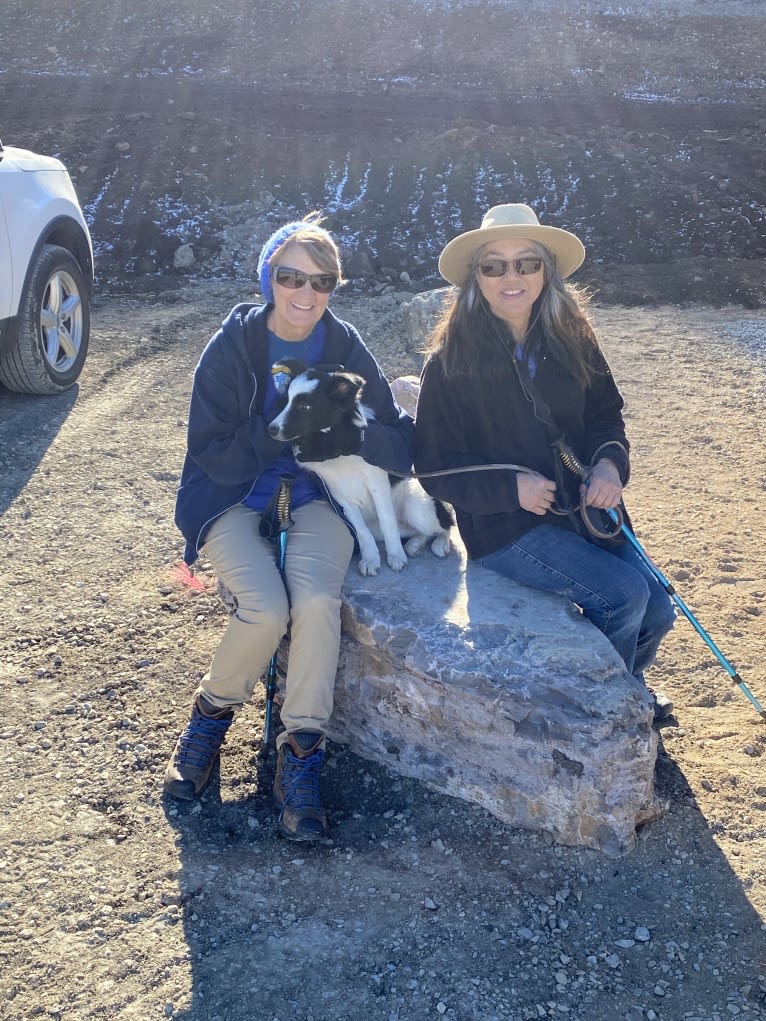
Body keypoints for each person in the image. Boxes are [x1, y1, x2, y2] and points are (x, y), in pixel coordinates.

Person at [164, 212, 415, 840]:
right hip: (231, 496)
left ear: (334, 287)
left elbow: (399, 444)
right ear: (268, 278)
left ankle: (300, 750)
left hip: (318, 498)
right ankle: (210, 720)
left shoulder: (344, 346)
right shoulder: (233, 347)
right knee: (265, 608)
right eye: (290, 276)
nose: (305, 293)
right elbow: (211, 452)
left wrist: (348, 432)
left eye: (322, 281)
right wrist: (281, 431)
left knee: (316, 601)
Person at [414, 203, 676, 719]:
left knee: (659, 609)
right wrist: (511, 487)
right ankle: (609, 714)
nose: (512, 276)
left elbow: (606, 413)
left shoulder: (573, 338)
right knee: (623, 598)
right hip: (507, 528)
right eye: (494, 265)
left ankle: (621, 691)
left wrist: (608, 466)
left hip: (584, 509)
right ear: (476, 278)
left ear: (545, 271)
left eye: (526, 263)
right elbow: (436, 465)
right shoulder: (449, 362)